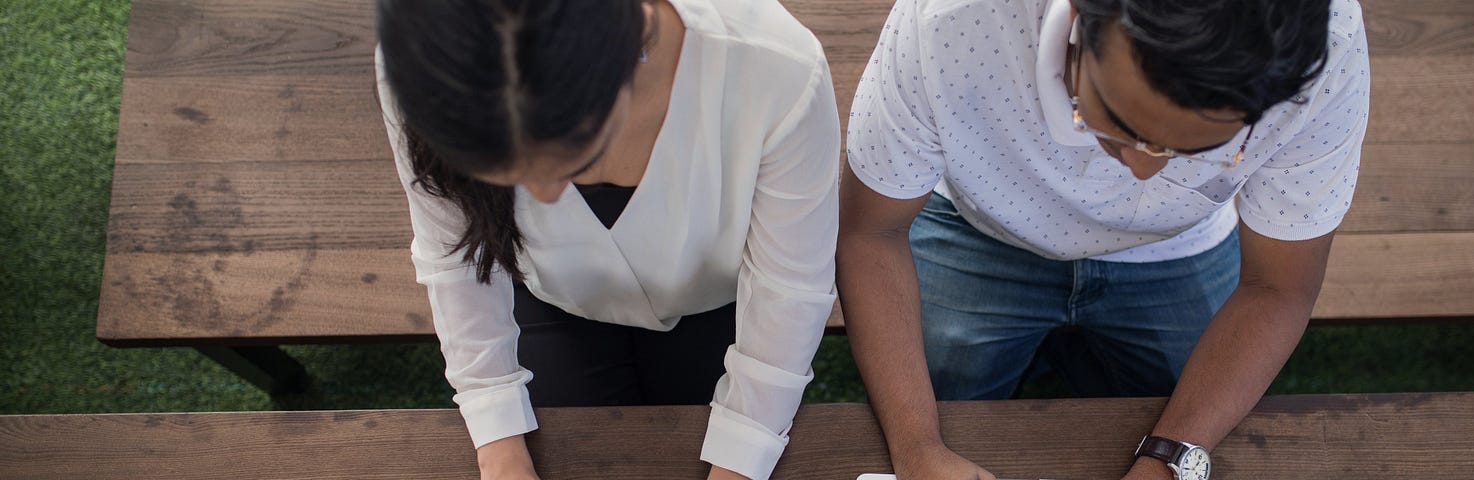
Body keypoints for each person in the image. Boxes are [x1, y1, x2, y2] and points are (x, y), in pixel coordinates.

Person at [839, 0, 1369, 478]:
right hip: (975, 225)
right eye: (1117, 120)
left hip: (1180, 248)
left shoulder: (1328, 50)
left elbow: (1277, 287)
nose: (1141, 170)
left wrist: (1172, 461)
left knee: (1197, 393)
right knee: (941, 383)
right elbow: (872, 233)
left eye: (1193, 147)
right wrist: (916, 448)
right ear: (1077, 19)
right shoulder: (953, 20)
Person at [374, 1, 841, 479]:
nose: (542, 198)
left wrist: (738, 463)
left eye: (573, 155)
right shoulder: (423, 64)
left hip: (723, 301)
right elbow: (457, 257)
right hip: (550, 296)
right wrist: (500, 448)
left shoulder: (778, 67)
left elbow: (789, 292)